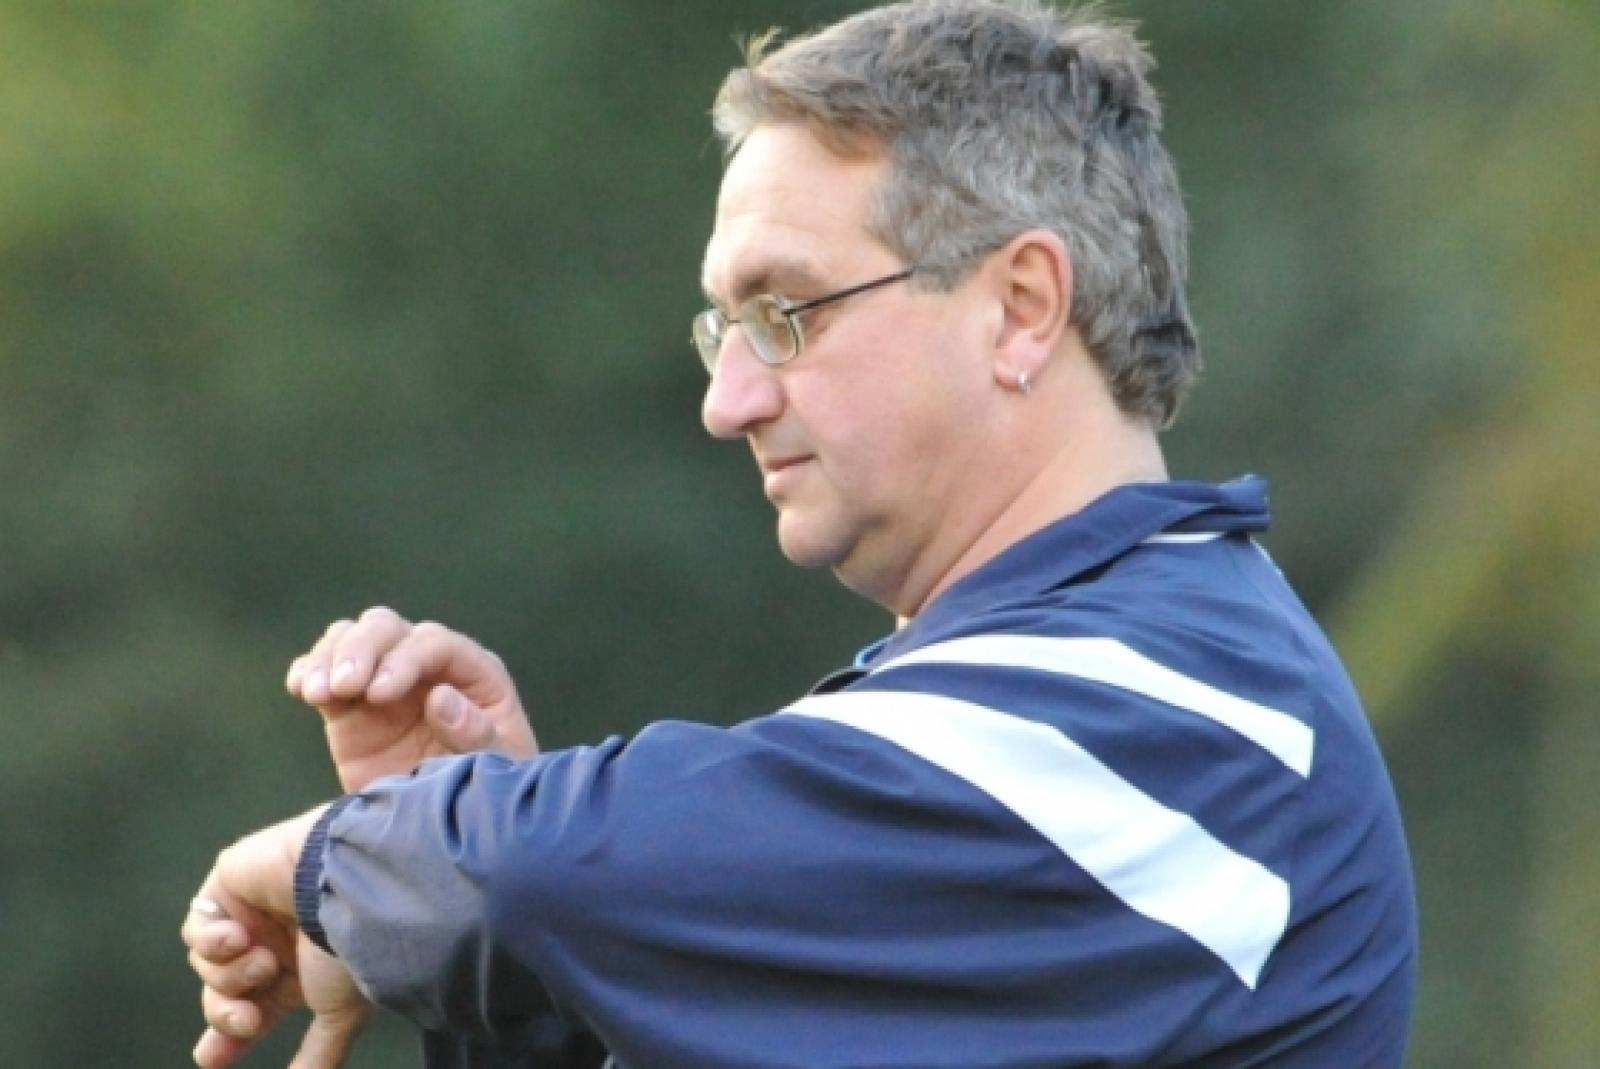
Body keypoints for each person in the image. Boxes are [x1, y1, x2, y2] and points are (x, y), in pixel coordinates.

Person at [182, 1, 1418, 1066]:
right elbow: (547, 879)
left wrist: (372, 861)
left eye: (786, 311)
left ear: (1020, 307)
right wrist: (509, 975)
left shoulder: (1183, 710)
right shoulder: (1061, 715)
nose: (727, 402)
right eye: (723, 330)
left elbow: (540, 868)